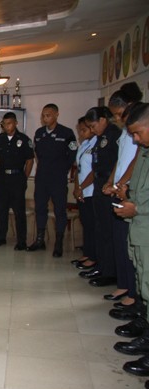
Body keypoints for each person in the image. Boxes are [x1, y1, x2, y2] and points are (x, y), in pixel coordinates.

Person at [112, 103, 149, 385]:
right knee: (143, 280)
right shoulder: (145, 153)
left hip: (144, 221)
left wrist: (139, 208)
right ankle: (145, 329)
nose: (135, 139)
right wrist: (127, 192)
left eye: (138, 132)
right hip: (140, 228)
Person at [101, 82, 143, 305]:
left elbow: (136, 161)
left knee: (131, 245)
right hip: (119, 189)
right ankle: (125, 286)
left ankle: (133, 295)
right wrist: (112, 181)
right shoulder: (126, 131)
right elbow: (121, 159)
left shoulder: (138, 128)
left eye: (119, 114)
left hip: (130, 192)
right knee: (120, 241)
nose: (117, 119)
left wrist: (122, 182)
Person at [27, 104, 77, 257]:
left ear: (56, 114)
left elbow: (73, 153)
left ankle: (58, 243)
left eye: (48, 115)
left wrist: (63, 169)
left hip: (58, 178)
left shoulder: (66, 133)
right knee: (40, 208)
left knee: (59, 210)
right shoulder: (39, 133)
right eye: (43, 115)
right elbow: (36, 152)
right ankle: (40, 240)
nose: (45, 118)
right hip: (42, 177)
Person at [84, 107, 120, 288]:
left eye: (93, 125)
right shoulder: (100, 137)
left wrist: (111, 181)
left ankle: (109, 272)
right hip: (99, 184)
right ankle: (101, 265)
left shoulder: (114, 135)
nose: (92, 130)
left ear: (103, 120)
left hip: (108, 184)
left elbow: (118, 162)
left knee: (107, 230)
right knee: (99, 228)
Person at [0, 112, 34, 250]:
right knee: (1, 210)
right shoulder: (0, 139)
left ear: (16, 123)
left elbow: (30, 160)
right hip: (3, 178)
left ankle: (21, 241)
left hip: (17, 178)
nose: (6, 126)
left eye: (9, 123)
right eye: (4, 124)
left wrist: (24, 177)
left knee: (19, 211)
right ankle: (1, 237)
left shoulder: (24, 139)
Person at [72, 117, 97, 273]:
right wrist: (77, 187)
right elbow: (78, 168)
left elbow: (95, 170)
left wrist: (81, 187)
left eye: (84, 130)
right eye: (79, 130)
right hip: (82, 191)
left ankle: (94, 257)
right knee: (86, 224)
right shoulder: (84, 145)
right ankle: (87, 253)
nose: (81, 133)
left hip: (91, 191)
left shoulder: (96, 145)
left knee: (93, 225)